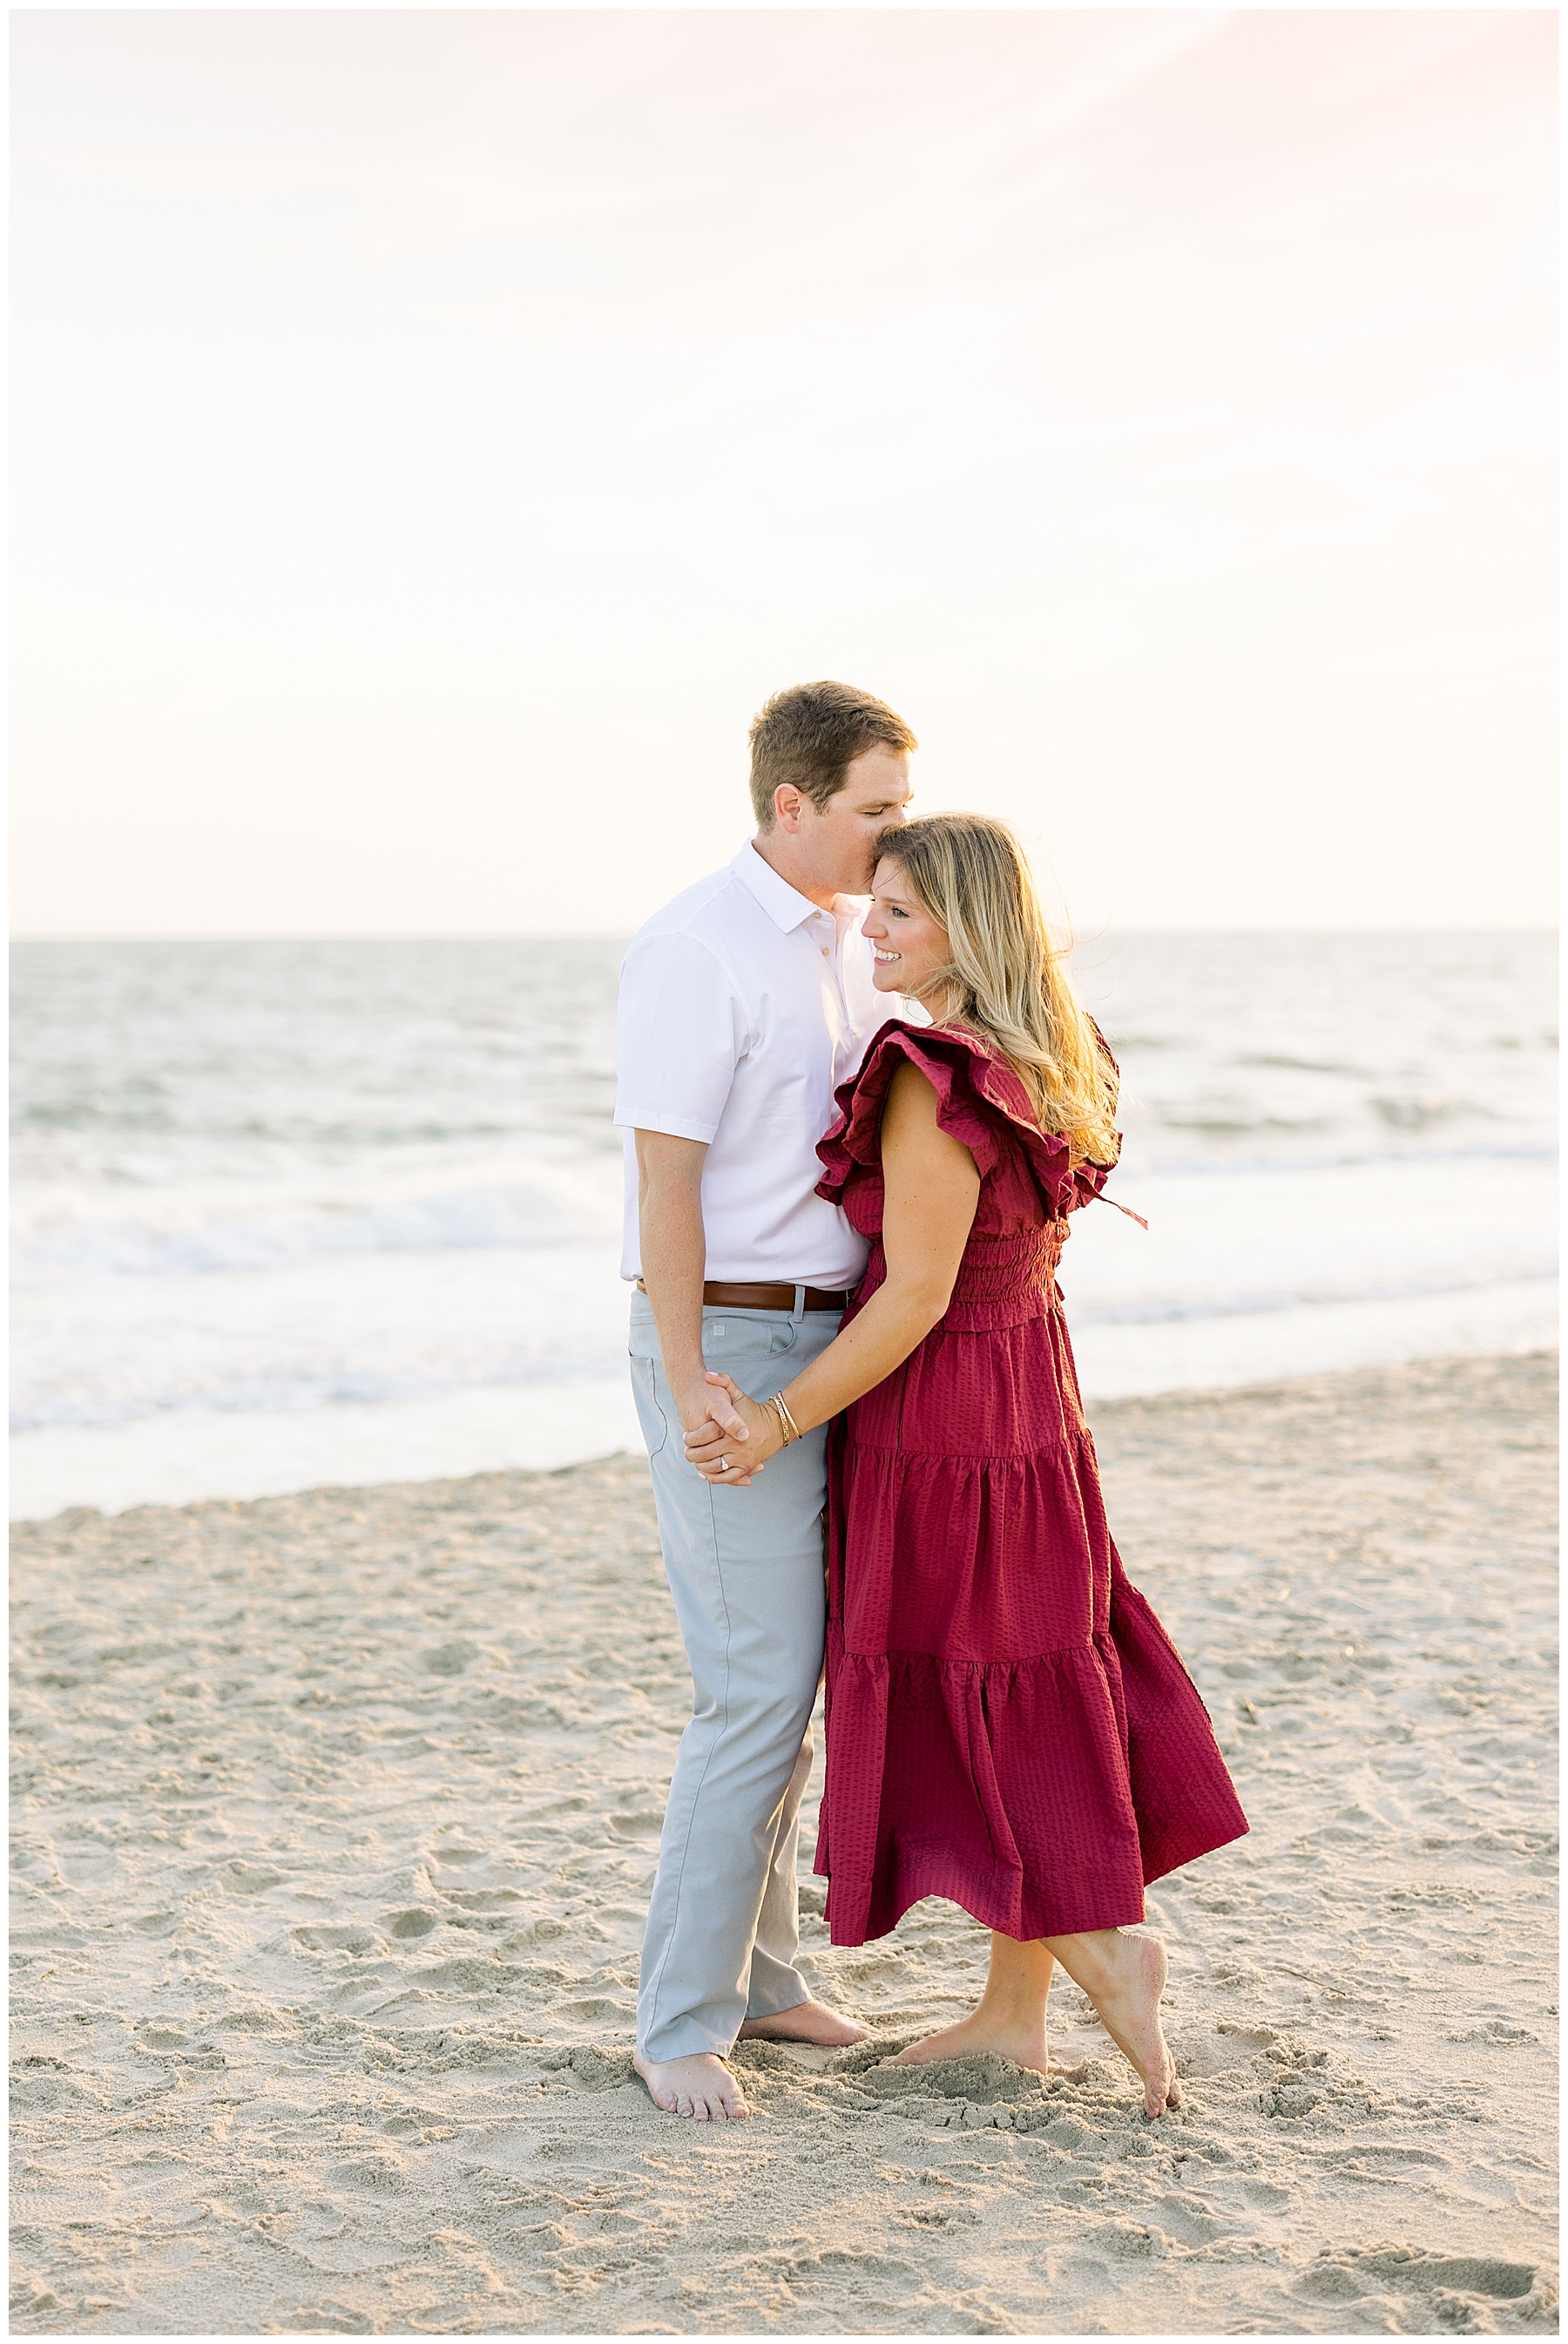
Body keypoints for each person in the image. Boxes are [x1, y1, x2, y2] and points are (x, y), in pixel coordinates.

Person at [686, 813, 1249, 2118]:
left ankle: (1103, 1950)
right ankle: (1011, 2014)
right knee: (1031, 1680)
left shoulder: (926, 1070)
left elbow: (912, 1298)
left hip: (947, 1421)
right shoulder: (1058, 1050)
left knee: (982, 1689)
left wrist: (774, 1422)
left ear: (966, 926)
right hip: (1033, 1397)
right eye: (871, 907)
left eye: (897, 912)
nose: (869, 931)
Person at [616, 680, 919, 2122]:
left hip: (838, 1341)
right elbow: (664, 1181)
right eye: (876, 808)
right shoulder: (697, 947)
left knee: (800, 1679)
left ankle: (767, 1980)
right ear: (793, 804)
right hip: (731, 1341)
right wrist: (689, 1377)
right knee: (752, 1687)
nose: (896, 832)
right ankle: (679, 2021)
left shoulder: (859, 939)